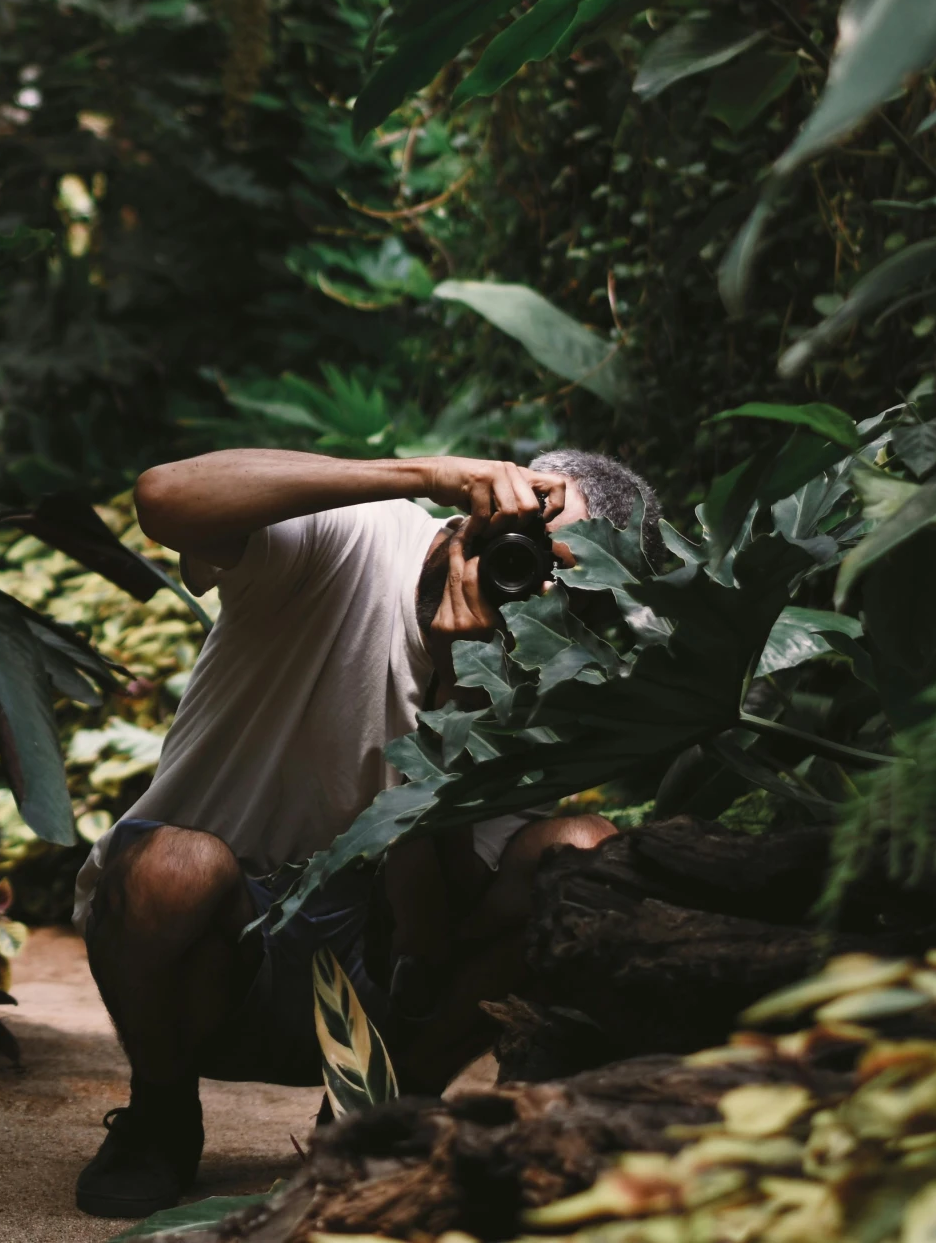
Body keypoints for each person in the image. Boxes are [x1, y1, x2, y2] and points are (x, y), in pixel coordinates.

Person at [71, 447, 665, 1218]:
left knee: (583, 854)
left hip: (380, 981)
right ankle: (160, 1112)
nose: (529, 579)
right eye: (530, 539)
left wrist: (455, 700)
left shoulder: (545, 685)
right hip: (212, 959)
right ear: (489, 501)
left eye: (566, 582)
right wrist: (424, 472)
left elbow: (434, 936)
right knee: (170, 866)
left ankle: (372, 1120)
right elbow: (161, 495)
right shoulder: (358, 537)